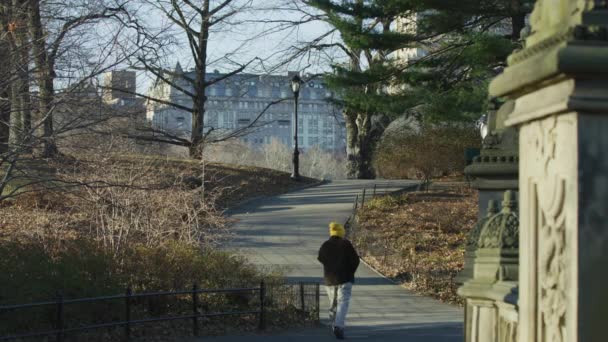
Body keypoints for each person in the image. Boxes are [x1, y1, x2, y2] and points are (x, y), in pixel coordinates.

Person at [317, 222, 360, 340]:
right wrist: (350, 271)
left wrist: (329, 265)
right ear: (341, 233)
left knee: (333, 304)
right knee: (343, 302)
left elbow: (320, 258)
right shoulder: (346, 244)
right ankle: (338, 326)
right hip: (345, 278)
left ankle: (333, 325)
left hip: (330, 279)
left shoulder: (325, 245)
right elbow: (355, 260)